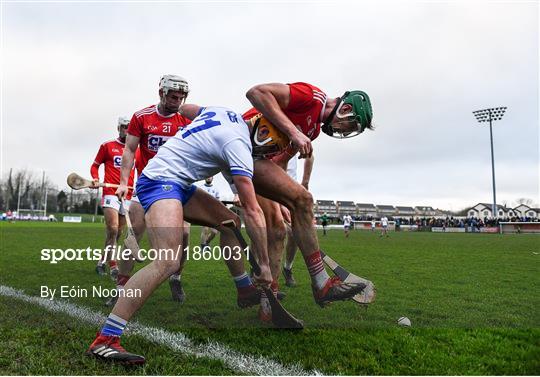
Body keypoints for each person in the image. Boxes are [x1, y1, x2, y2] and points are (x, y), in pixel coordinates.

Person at [86, 105, 273, 365]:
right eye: (269, 148)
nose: (265, 155)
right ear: (263, 132)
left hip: (179, 183)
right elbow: (254, 210)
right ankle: (106, 339)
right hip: (159, 181)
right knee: (168, 261)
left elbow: (186, 108)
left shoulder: (222, 112)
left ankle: (244, 290)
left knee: (230, 222)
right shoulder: (239, 142)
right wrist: (264, 265)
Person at [242, 82, 373, 321]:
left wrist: (282, 200)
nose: (344, 131)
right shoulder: (312, 97)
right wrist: (293, 131)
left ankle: (267, 305)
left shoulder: (312, 130)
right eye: (350, 125)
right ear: (345, 109)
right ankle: (321, 283)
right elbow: (256, 93)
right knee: (301, 201)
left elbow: (279, 163)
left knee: (280, 230)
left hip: (257, 161)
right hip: (239, 147)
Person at [115, 75, 193, 304]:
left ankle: (176, 277)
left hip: (178, 184)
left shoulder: (185, 120)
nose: (177, 101)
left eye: (181, 97)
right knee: (134, 233)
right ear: (161, 93)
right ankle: (122, 286)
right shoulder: (141, 117)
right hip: (147, 185)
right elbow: (129, 150)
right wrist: (123, 182)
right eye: (173, 96)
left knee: (185, 235)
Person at [90, 117, 135, 280]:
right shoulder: (107, 146)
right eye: (124, 127)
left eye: (130, 128)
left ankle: (101, 262)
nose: (127, 130)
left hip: (128, 195)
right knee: (113, 228)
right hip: (110, 192)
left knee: (116, 234)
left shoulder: (138, 150)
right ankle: (114, 266)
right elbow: (95, 165)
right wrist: (95, 178)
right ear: (118, 128)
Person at [281, 155, 314, 288]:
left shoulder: (296, 134)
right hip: (264, 184)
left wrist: (305, 182)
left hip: (289, 189)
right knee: (263, 230)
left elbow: (310, 155)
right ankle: (257, 268)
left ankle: (287, 269)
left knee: (293, 233)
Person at [199, 176, 220, 249]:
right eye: (207, 177)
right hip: (204, 211)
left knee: (214, 232)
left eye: (210, 177)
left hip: (213, 213)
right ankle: (203, 247)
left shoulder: (216, 189)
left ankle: (206, 243)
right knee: (205, 229)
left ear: (212, 178)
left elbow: (218, 202)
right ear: (205, 178)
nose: (208, 178)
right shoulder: (200, 188)